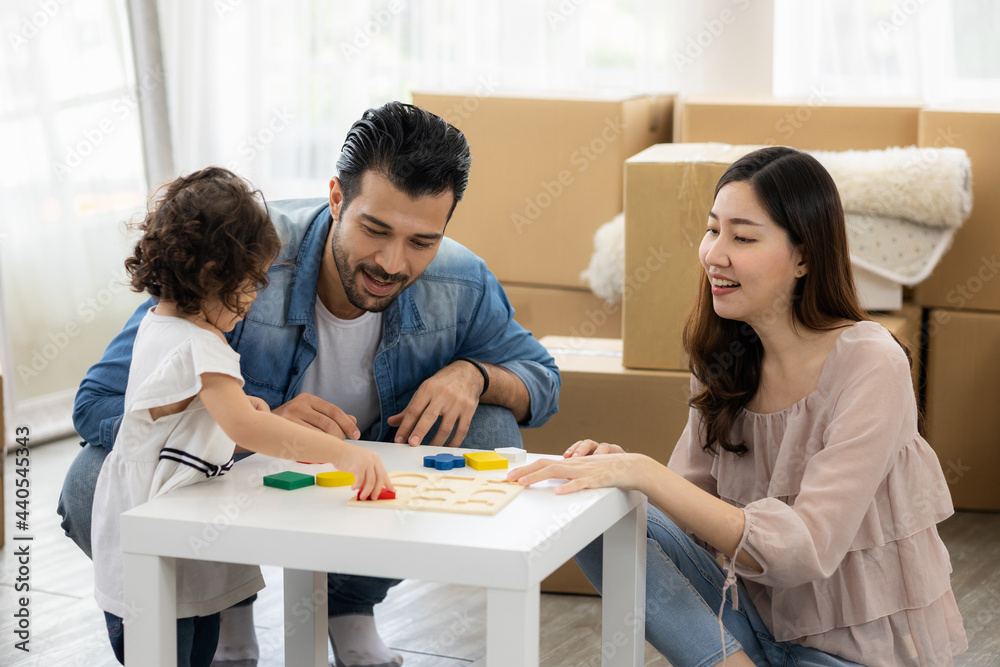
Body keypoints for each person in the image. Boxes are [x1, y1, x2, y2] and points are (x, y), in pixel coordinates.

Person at [60, 102, 561, 667]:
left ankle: (350, 603)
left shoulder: (462, 279)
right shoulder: (236, 258)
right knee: (91, 480)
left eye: (422, 241)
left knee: (491, 427)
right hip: (226, 477)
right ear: (336, 198)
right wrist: (247, 427)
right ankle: (223, 599)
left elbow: (542, 381)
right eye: (375, 229)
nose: (393, 262)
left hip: (364, 474)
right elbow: (98, 401)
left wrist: (474, 375)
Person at [508, 146, 967, 666]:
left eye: (743, 237)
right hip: (748, 633)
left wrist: (643, 472)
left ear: (804, 256)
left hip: (850, 655)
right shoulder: (724, 359)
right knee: (592, 508)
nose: (714, 254)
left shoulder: (870, 362)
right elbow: (685, 522)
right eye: (712, 230)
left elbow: (806, 549)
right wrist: (620, 474)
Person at [92, 166, 393, 667]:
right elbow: (249, 430)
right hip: (157, 546)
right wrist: (344, 453)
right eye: (251, 283)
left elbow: (182, 421)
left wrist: (222, 414)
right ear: (211, 275)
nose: (254, 300)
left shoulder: (159, 324)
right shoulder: (201, 346)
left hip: (160, 533)